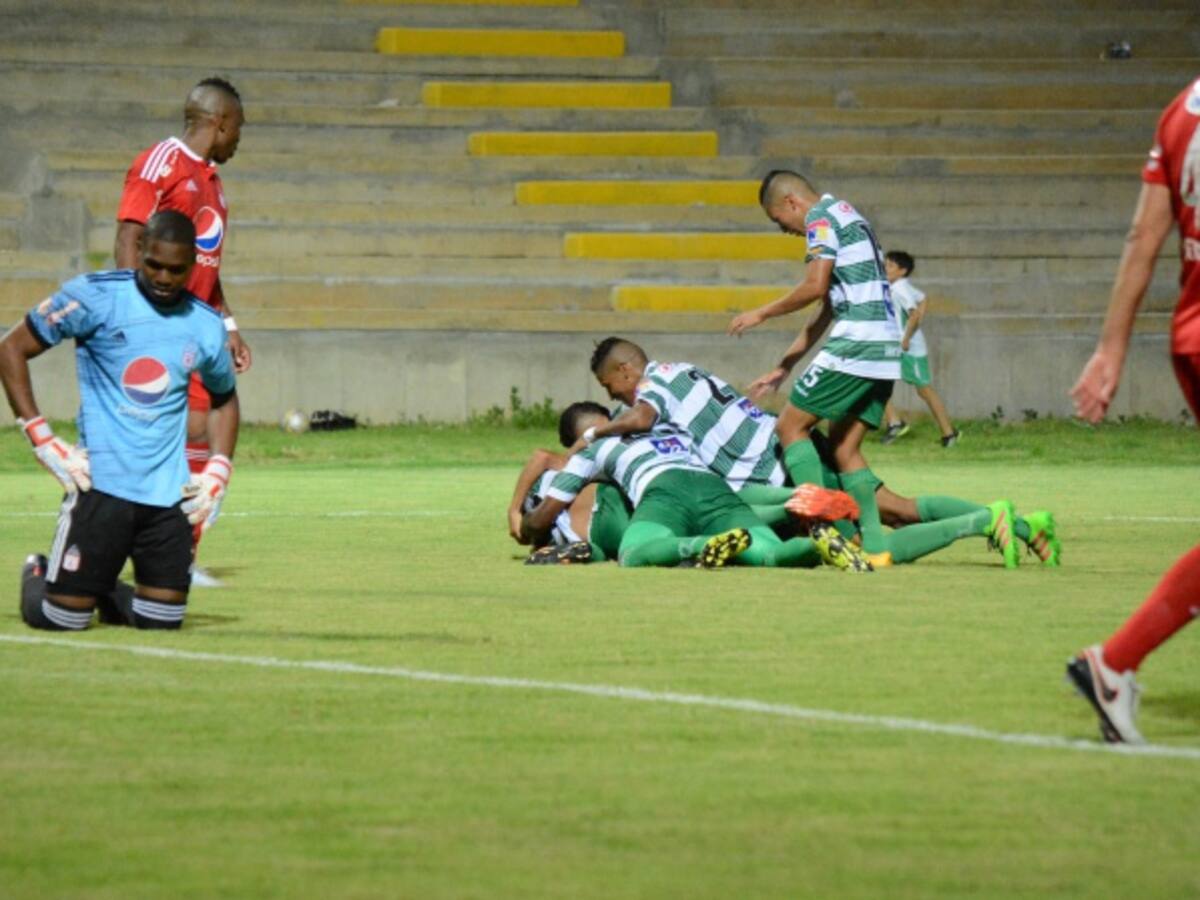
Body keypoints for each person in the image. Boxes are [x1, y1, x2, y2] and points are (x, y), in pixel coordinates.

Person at [581, 336, 1060, 568]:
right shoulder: (682, 369)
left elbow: (642, 419)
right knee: (895, 507)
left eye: (610, 387)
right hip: (790, 447)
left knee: (871, 547)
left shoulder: (652, 387)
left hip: (776, 466)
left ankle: (984, 520)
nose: (615, 397)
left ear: (625, 371)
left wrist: (597, 433)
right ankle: (1023, 525)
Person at [0, 211, 239, 631]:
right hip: (101, 486)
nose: (163, 277)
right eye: (154, 265)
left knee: (161, 622)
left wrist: (219, 467)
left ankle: (105, 588)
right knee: (61, 618)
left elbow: (224, 398)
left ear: (192, 265)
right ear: (140, 249)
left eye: (176, 269)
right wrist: (41, 438)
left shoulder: (205, 325)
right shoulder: (95, 297)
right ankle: (39, 569)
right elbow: (11, 348)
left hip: (169, 495)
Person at [1066, 76, 1200, 744]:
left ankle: (1114, 665)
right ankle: (1114, 662)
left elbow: (1145, 235)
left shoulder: (1182, 110)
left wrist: (1110, 348)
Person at [114, 76, 251, 586]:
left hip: (198, 327)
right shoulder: (162, 163)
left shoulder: (212, 183)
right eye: (238, 128)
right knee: (164, 438)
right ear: (220, 122)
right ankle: (128, 548)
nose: (239, 139)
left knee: (202, 433)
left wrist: (228, 323)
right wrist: (135, 319)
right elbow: (128, 238)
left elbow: (205, 266)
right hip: (159, 324)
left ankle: (178, 559)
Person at [729, 170, 902, 566]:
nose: (786, 231)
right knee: (844, 448)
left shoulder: (820, 220)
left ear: (791, 202)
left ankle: (821, 526)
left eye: (779, 221)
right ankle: (875, 547)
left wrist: (761, 313)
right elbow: (827, 307)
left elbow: (814, 286)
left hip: (857, 341)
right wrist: (785, 366)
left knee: (789, 426)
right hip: (886, 347)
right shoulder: (848, 215)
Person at [522, 403, 872, 571]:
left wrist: (522, 524)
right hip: (711, 483)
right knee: (769, 554)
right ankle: (813, 543)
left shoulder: (594, 449)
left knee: (633, 553)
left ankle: (701, 546)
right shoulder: (669, 430)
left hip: (662, 490)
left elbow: (544, 513)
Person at [878, 251, 960, 447]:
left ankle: (949, 434)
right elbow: (923, 298)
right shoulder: (900, 286)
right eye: (885, 264)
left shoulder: (900, 289)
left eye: (890, 266)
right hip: (895, 346)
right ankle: (894, 422)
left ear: (902, 271)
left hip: (910, 349)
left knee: (924, 391)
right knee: (876, 381)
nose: (885, 269)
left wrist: (907, 337)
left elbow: (913, 314)